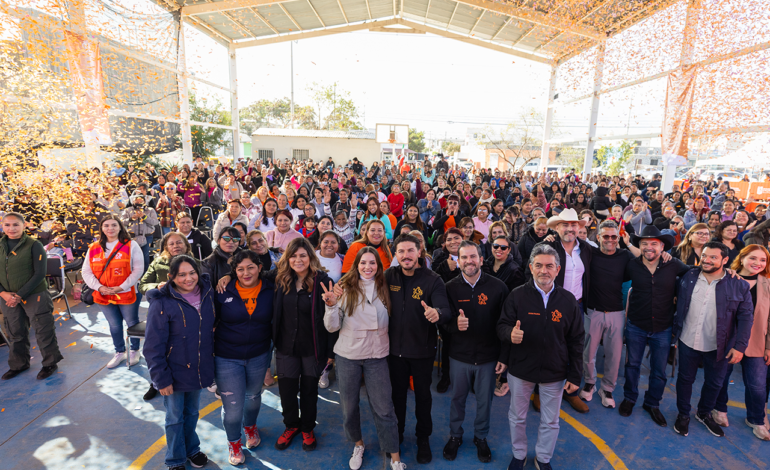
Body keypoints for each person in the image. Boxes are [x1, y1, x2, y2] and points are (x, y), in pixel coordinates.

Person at [498, 244, 583, 470]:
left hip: (554, 371)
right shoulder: (516, 296)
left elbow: (576, 339)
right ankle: (519, 455)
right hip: (521, 369)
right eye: (539, 265)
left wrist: (575, 374)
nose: (543, 270)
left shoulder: (568, 300)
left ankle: (543, 458)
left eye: (549, 266)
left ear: (557, 269)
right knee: (517, 416)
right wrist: (509, 334)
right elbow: (502, 326)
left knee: (551, 420)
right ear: (531, 267)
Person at [321, 247, 405, 470]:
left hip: (377, 355)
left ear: (379, 266)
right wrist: (330, 306)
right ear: (356, 264)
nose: (367, 267)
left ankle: (394, 455)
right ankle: (358, 444)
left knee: (384, 408)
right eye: (363, 263)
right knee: (349, 407)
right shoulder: (344, 288)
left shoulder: (386, 287)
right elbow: (332, 327)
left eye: (372, 263)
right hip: (348, 355)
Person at [672, 241, 753, 438]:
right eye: (705, 256)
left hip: (720, 345)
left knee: (715, 383)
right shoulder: (688, 275)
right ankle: (683, 415)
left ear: (725, 260)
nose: (706, 260)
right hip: (687, 340)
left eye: (713, 257)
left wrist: (740, 346)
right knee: (684, 379)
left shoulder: (739, 285)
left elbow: (745, 317)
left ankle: (703, 413)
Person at [144, 255, 215, 470]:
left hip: (197, 369)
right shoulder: (162, 303)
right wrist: (161, 379)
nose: (188, 278)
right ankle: (175, 458)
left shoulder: (207, 293)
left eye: (192, 272)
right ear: (171, 277)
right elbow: (152, 346)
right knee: (175, 418)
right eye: (181, 275)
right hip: (172, 372)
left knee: (192, 413)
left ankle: (192, 449)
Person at [386, 233, 452, 463]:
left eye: (410, 250)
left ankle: (423, 438)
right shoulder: (388, 276)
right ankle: (398, 435)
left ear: (420, 251)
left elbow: (445, 309)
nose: (406, 256)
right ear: (396, 255)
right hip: (394, 352)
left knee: (424, 398)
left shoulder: (433, 280)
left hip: (423, 352)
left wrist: (438, 313)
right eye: (401, 251)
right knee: (397, 398)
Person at [442, 242, 509, 463]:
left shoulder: (498, 288)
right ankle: (455, 435)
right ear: (458, 261)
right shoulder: (449, 288)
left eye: (473, 257)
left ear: (481, 259)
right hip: (459, 356)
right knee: (457, 398)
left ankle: (481, 437)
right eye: (464, 257)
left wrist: (503, 356)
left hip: (488, 357)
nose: (469, 261)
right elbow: (442, 323)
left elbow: (505, 323)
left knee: (485, 401)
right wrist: (454, 325)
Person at [620, 225, 690, 426]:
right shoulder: (631, 265)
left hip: (663, 327)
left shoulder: (674, 265)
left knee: (659, 371)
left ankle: (652, 403)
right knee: (632, 365)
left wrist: (731, 274)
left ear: (662, 247)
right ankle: (630, 398)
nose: (649, 248)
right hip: (636, 325)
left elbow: (696, 274)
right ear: (639, 246)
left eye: (654, 244)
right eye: (644, 244)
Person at [273, 238, 335, 451]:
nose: (298, 260)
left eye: (302, 255)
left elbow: (331, 319)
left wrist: (330, 351)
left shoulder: (323, 282)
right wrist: (227, 275)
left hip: (312, 348)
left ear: (310, 257)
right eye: (293, 255)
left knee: (309, 391)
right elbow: (250, 273)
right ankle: (291, 426)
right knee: (287, 391)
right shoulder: (280, 280)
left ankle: (308, 428)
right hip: (286, 347)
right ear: (287, 258)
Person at [215, 250, 275, 464]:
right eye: (239, 269)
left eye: (250, 267)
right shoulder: (223, 290)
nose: (245, 272)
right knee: (232, 407)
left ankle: (250, 428)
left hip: (259, 354)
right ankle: (233, 442)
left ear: (260, 268)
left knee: (252, 397)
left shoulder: (271, 288)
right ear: (234, 272)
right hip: (227, 357)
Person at [528, 208, 591, 413]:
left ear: (579, 227)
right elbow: (530, 272)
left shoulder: (587, 249)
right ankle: (538, 390)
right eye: (565, 224)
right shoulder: (546, 247)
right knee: (544, 347)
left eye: (574, 224)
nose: (570, 228)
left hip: (576, 306)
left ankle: (571, 391)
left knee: (574, 347)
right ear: (556, 227)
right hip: (550, 304)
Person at [714, 245, 770, 440]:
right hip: (728, 338)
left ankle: (756, 419)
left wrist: (769, 345)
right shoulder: (727, 278)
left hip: (756, 341)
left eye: (762, 260)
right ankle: (719, 409)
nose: (758, 263)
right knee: (721, 378)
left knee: (757, 385)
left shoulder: (767, 283)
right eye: (753, 258)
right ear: (743, 257)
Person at [579, 220, 637, 409]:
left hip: (616, 313)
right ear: (598, 237)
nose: (610, 240)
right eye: (606, 236)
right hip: (593, 311)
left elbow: (644, 258)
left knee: (614, 355)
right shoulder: (590, 252)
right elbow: (569, 240)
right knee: (588, 352)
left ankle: (607, 388)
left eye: (614, 236)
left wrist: (628, 243)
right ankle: (589, 382)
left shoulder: (625, 255)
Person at [0, 212, 62, 380]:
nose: (11, 228)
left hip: (34, 294)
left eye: (15, 225)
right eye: (7, 225)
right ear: (2, 225)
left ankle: (50, 363)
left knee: (43, 329)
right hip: (7, 297)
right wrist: (3, 293)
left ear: (24, 226)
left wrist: (19, 295)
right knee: (15, 331)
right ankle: (18, 364)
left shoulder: (34, 245)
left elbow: (40, 273)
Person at [82, 215, 144, 369]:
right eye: (107, 226)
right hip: (103, 294)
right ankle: (120, 352)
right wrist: (100, 287)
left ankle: (135, 350)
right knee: (114, 325)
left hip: (127, 292)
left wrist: (121, 287)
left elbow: (138, 270)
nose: (110, 229)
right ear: (102, 229)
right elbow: (86, 272)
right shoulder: (94, 248)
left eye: (114, 225)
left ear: (120, 227)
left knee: (131, 322)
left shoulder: (131, 245)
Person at [138, 231, 193, 401]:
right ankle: (156, 383)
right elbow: (143, 285)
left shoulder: (195, 263)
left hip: (188, 314)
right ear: (166, 247)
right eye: (172, 243)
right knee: (158, 349)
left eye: (179, 242)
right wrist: (157, 286)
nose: (176, 246)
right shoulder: (158, 263)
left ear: (186, 245)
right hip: (162, 314)